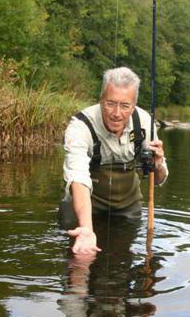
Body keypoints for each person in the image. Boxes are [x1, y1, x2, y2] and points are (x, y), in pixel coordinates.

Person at [60, 66, 168, 255]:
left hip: (128, 206)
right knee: (80, 258)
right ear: (101, 100)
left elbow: (159, 179)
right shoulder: (80, 127)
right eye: (110, 103)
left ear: (134, 105)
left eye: (125, 105)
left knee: (121, 258)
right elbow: (77, 177)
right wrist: (86, 228)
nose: (116, 113)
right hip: (85, 204)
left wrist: (157, 165)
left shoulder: (144, 123)